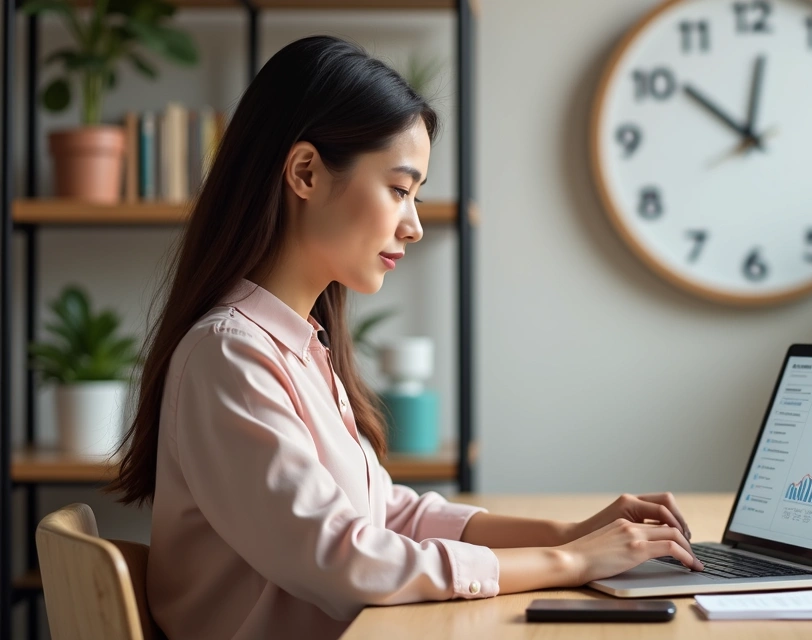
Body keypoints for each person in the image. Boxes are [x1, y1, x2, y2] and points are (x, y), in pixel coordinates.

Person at [106, 35, 704, 640]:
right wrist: (569, 563)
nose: (413, 225)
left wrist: (572, 533)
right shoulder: (229, 354)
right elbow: (345, 560)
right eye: (399, 189)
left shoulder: (297, 348)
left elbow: (391, 514)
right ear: (305, 172)